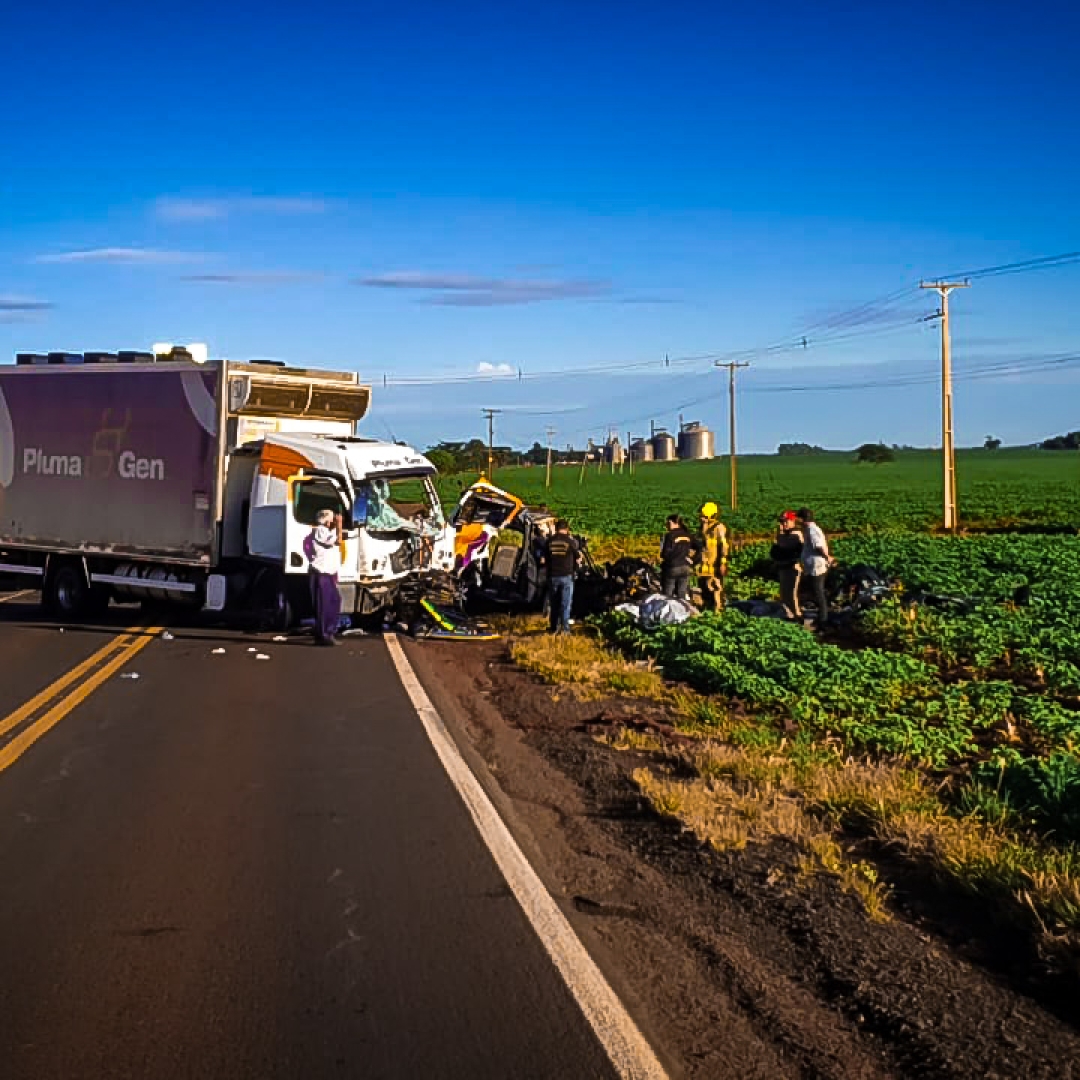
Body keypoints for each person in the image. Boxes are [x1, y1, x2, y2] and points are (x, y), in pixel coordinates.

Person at [306, 507, 343, 646]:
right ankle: (324, 635)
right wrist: (339, 525)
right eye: (332, 519)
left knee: (334, 601)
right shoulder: (320, 531)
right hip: (321, 574)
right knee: (325, 605)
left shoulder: (327, 531)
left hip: (328, 574)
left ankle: (327, 632)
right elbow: (338, 541)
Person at [541, 519, 580, 634]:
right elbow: (578, 559)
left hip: (553, 576)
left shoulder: (549, 541)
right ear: (567, 529)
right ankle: (565, 629)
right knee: (565, 603)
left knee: (554, 603)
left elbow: (544, 560)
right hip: (566, 577)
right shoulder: (570, 541)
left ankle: (553, 628)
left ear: (556, 529)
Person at [797, 507, 832, 628]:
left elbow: (819, 546)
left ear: (802, 519)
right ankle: (821, 617)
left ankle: (824, 621)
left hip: (818, 566)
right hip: (813, 566)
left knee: (819, 593)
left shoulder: (812, 530)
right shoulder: (809, 529)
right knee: (816, 592)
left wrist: (828, 557)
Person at [696, 502, 729, 612]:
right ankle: (707, 610)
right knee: (704, 590)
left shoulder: (719, 527)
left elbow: (724, 546)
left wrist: (723, 562)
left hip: (714, 567)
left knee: (716, 590)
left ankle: (718, 611)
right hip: (704, 568)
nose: (701, 518)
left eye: (703, 516)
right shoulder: (703, 528)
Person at [771, 510, 803, 620]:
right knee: (784, 593)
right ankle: (789, 614)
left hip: (792, 567)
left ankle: (797, 615)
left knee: (791, 593)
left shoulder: (796, 534)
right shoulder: (784, 535)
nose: (784, 524)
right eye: (782, 521)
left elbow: (784, 546)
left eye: (786, 521)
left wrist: (779, 535)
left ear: (793, 521)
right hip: (783, 567)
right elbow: (775, 551)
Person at [659, 514, 695, 600]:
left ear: (674, 523)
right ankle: (682, 610)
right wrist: (693, 560)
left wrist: (665, 557)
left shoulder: (670, 535)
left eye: (668, 523)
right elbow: (699, 547)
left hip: (673, 567)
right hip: (686, 567)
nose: (666, 525)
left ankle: (668, 610)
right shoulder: (687, 534)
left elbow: (665, 553)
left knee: (668, 594)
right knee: (681, 593)